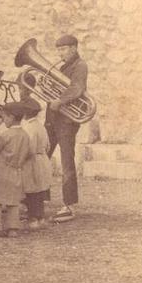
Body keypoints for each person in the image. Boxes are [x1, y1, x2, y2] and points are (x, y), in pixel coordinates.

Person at [44, 34, 88, 223]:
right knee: (42, 157)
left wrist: (60, 101)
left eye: (63, 49)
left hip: (67, 121)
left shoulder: (80, 66)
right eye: (58, 50)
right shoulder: (63, 67)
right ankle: (37, 200)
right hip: (53, 119)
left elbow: (77, 88)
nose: (60, 53)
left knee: (66, 162)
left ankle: (69, 205)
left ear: (74, 48)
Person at [0, 102, 31, 238]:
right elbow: (29, 153)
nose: (4, 120)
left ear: (11, 117)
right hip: (16, 171)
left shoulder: (5, 135)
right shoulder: (25, 135)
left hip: (1, 171)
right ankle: (12, 229)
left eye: (4, 117)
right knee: (13, 201)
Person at [20, 97, 52, 229]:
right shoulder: (40, 126)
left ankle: (33, 219)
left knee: (31, 190)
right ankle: (40, 217)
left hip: (31, 162)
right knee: (39, 190)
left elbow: (30, 149)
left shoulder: (29, 128)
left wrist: (20, 158)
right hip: (42, 159)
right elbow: (48, 146)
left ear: (25, 113)